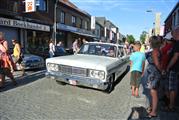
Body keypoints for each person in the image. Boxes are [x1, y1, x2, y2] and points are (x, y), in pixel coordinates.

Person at [145, 36, 162, 118]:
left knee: (153, 93)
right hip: (154, 73)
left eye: (149, 41)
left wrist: (162, 71)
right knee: (154, 92)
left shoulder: (154, 51)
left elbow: (157, 64)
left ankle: (153, 112)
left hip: (154, 74)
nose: (149, 42)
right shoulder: (157, 50)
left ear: (152, 43)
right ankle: (152, 108)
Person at [166, 27, 179, 112]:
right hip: (175, 68)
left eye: (173, 33)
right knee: (173, 87)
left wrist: (168, 67)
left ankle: (171, 106)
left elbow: (175, 57)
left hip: (174, 69)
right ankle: (171, 104)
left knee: (172, 88)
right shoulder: (176, 43)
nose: (172, 35)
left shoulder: (178, 43)